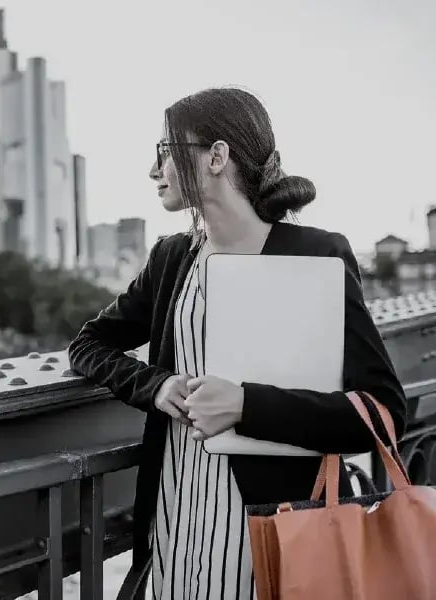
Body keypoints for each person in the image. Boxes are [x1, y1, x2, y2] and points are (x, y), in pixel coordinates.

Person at [67, 87, 407, 600]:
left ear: (216, 157)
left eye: (165, 149)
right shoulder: (171, 259)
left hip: (273, 541)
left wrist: (246, 404)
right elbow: (89, 344)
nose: (154, 168)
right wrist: (156, 386)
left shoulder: (316, 256)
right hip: (174, 529)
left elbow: (380, 411)